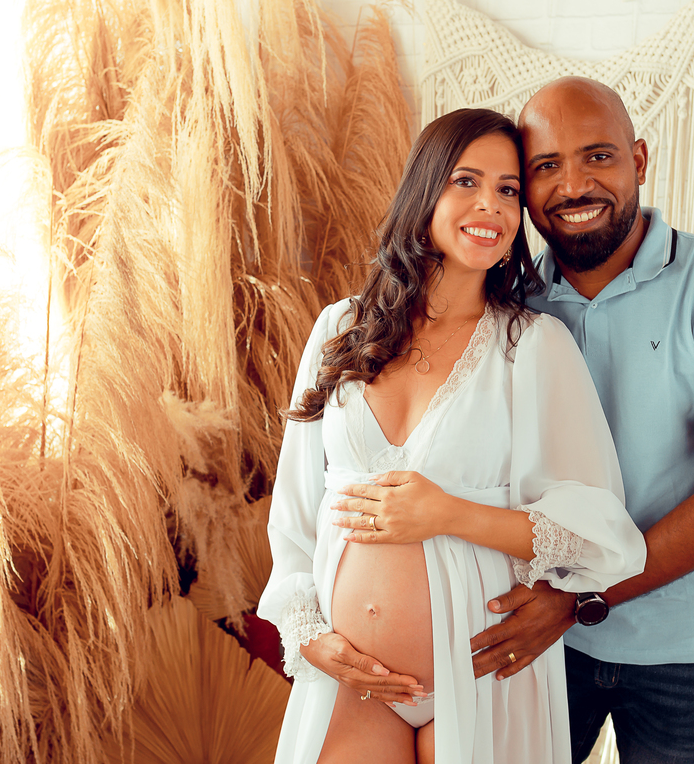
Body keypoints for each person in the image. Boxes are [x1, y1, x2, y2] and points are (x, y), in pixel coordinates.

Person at [256, 107, 646, 764]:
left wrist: (447, 513)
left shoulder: (533, 346)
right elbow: (295, 517)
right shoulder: (339, 331)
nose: (490, 205)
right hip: (354, 685)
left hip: (484, 675)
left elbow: (600, 536)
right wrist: (307, 636)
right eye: (467, 181)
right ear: (425, 190)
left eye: (508, 190)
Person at [468, 77, 694, 763]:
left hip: (686, 650)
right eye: (546, 166)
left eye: (598, 156)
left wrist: (576, 600)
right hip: (541, 638)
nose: (573, 185)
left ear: (639, 159)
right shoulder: (505, 299)